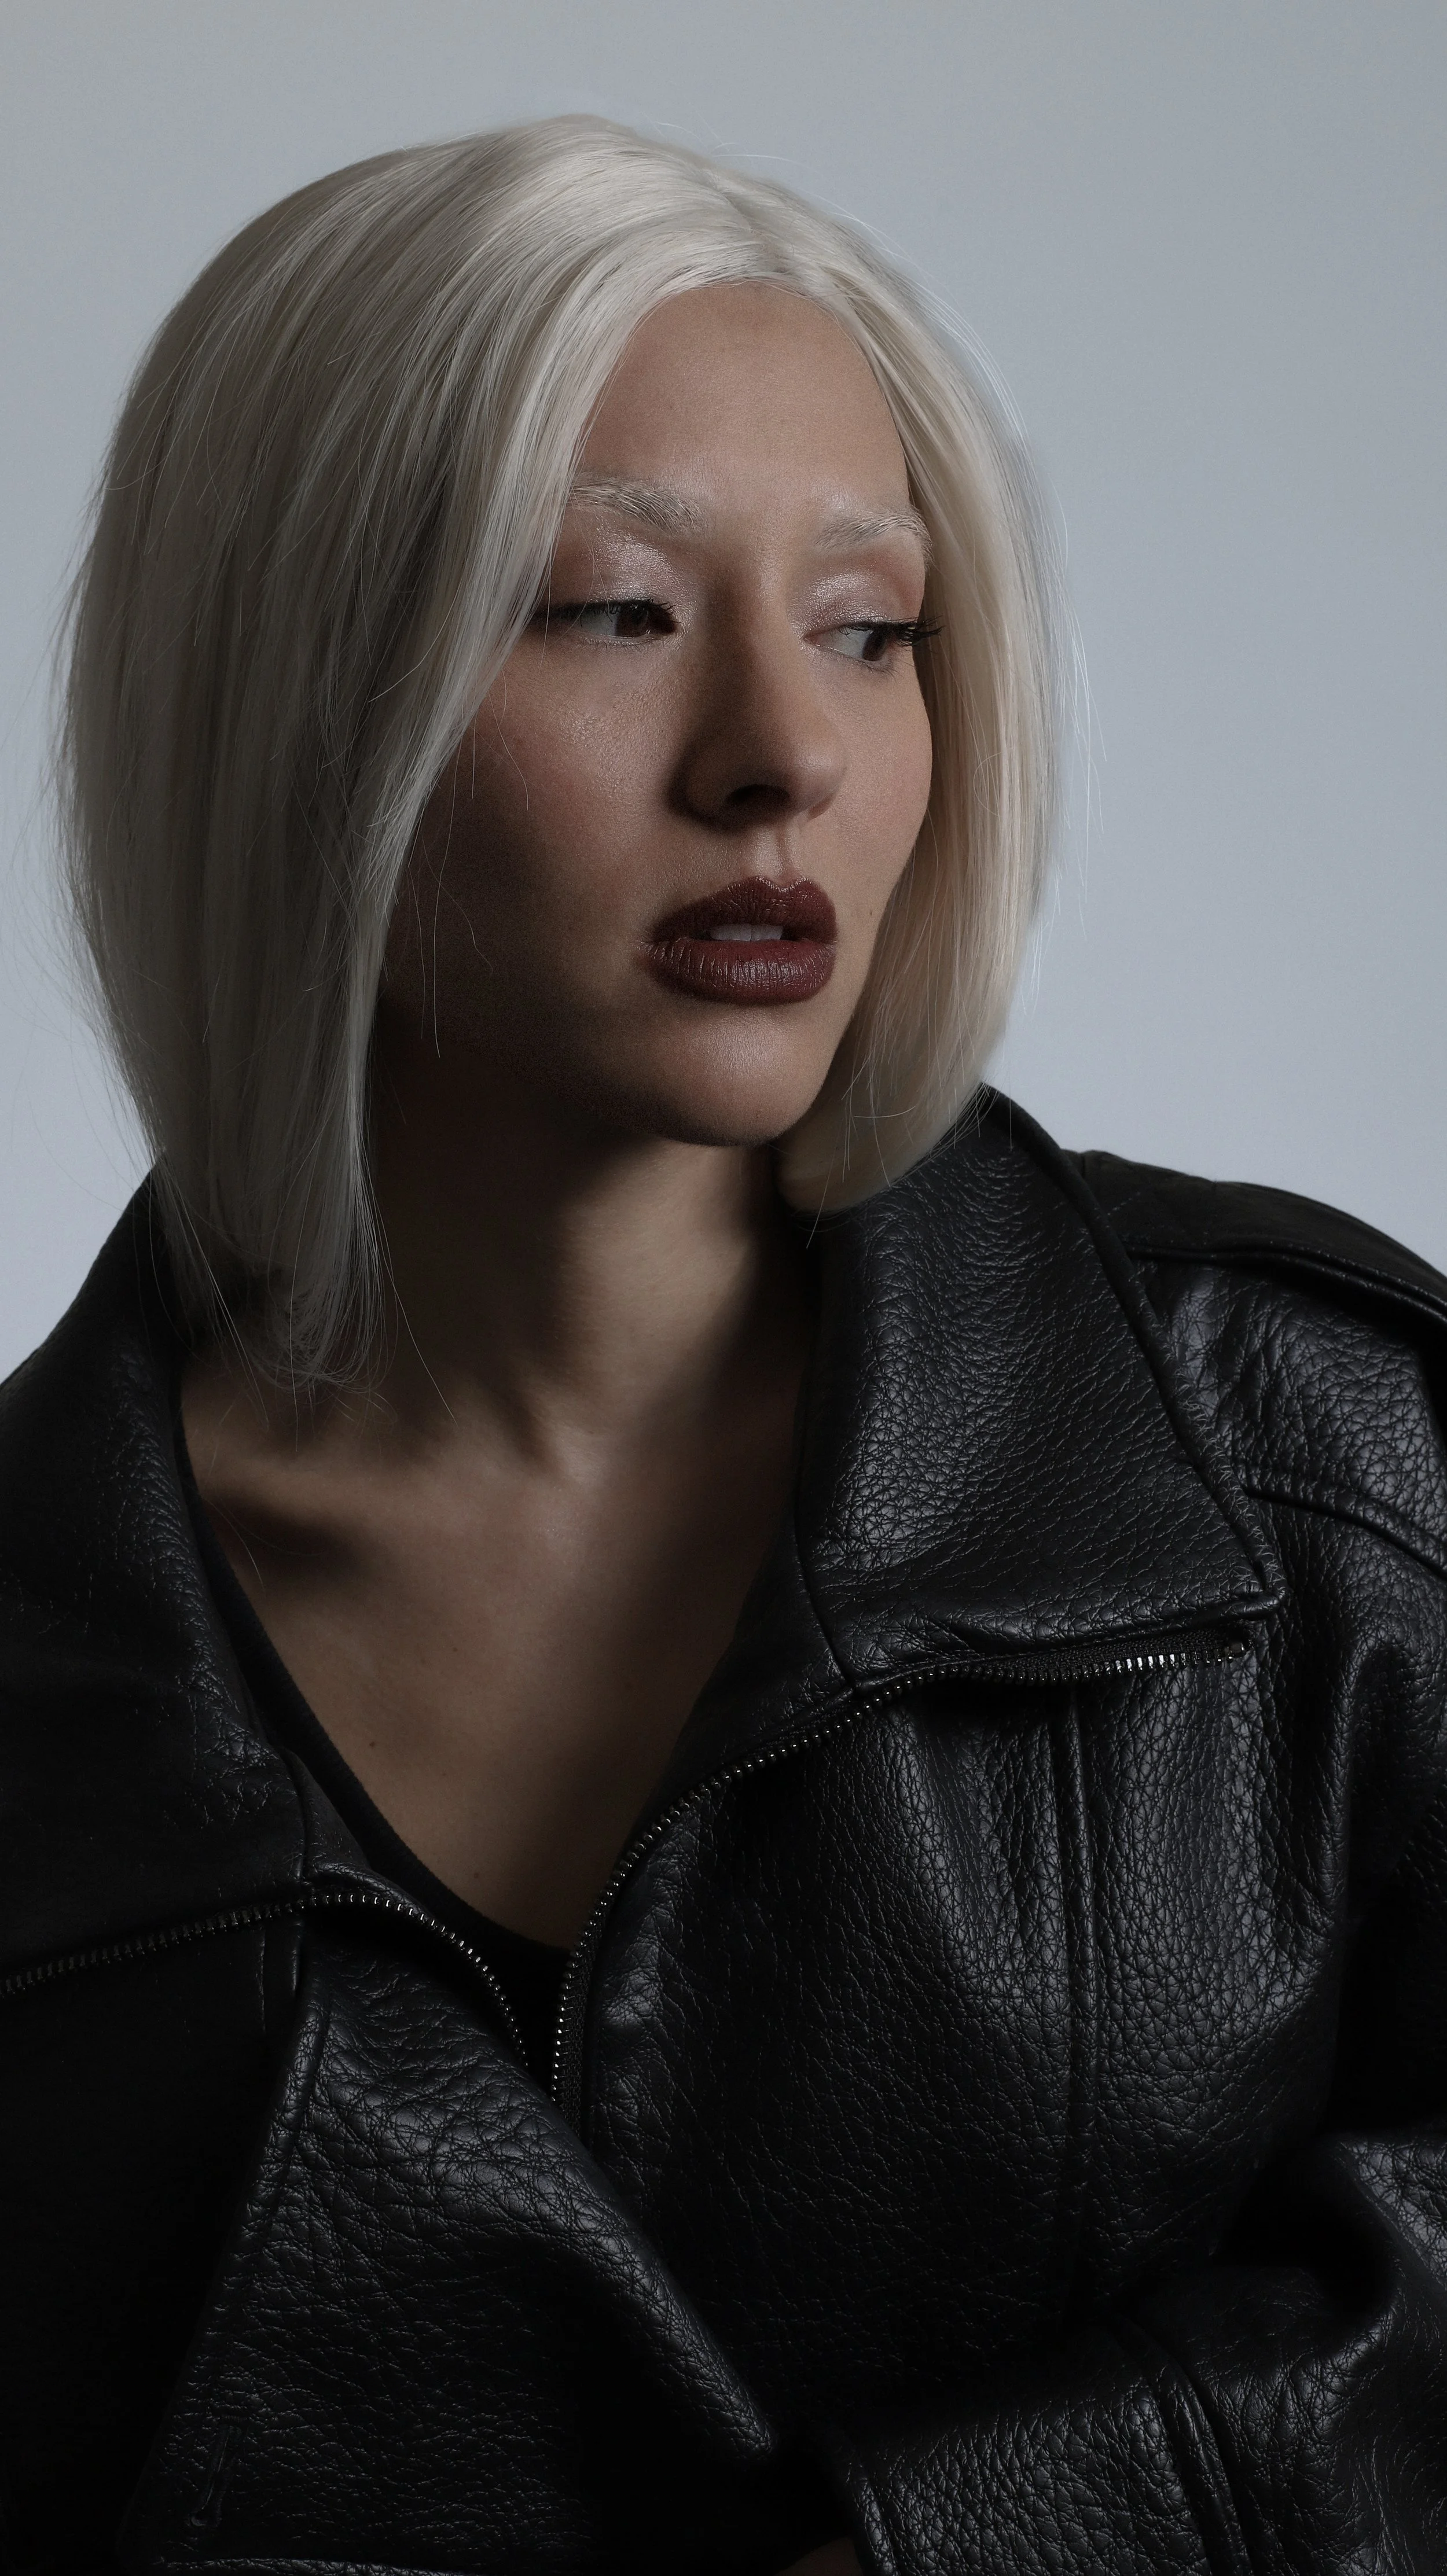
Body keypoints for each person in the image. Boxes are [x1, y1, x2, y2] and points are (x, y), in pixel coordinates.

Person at [3, 113, 1446, 2576]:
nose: (783, 752)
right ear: (292, 696)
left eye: (871, 628)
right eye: (609, 611)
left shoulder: (1311, 1469)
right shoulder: (45, 1648)